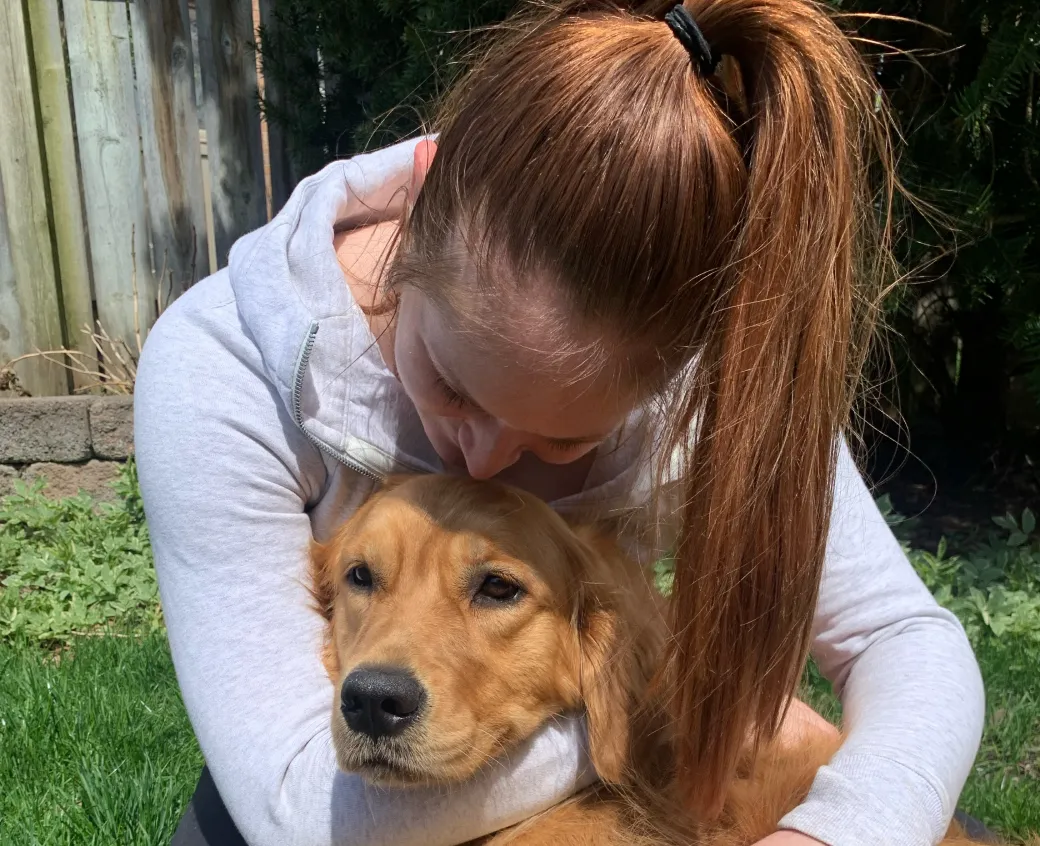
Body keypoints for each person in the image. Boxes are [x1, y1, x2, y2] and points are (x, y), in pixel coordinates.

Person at [134, 1, 985, 845]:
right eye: (455, 387)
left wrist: (837, 833)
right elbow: (292, 809)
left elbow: (902, 636)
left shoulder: (710, 368)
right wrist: (654, 708)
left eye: (565, 440)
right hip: (311, 778)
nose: (484, 460)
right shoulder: (223, 365)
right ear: (422, 208)